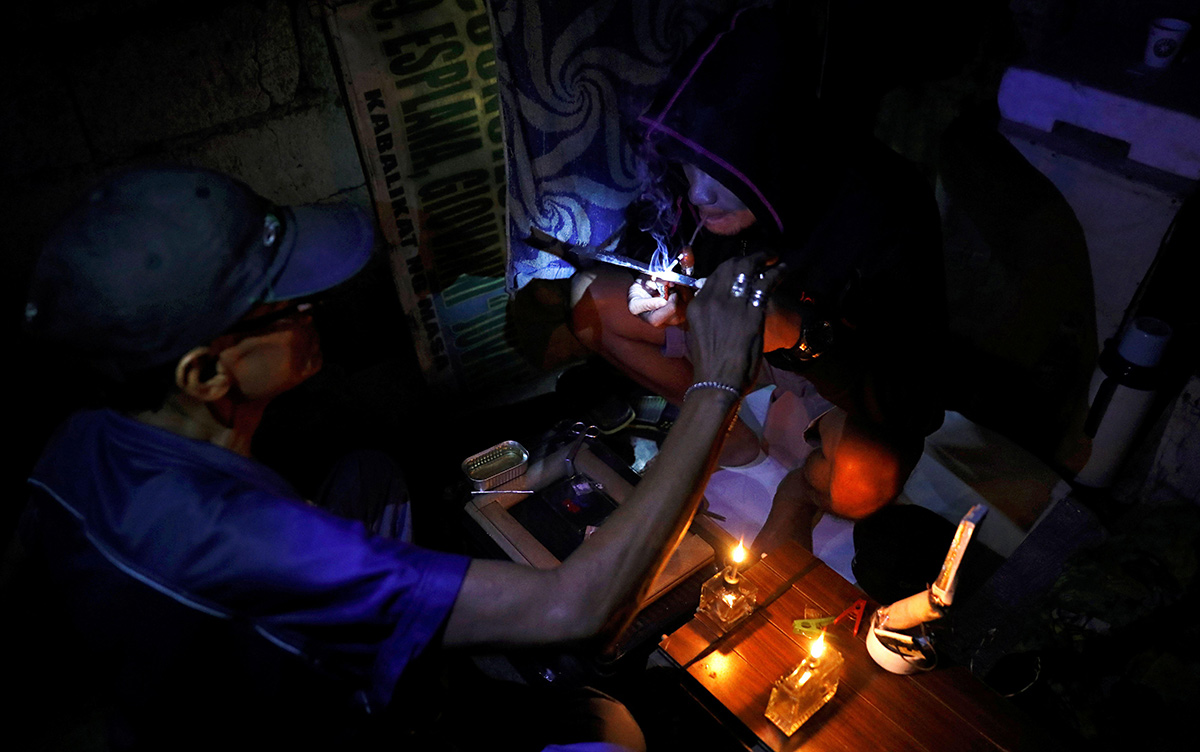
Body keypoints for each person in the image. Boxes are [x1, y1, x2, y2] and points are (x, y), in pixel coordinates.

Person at [12, 166, 778, 750]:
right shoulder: (250, 542)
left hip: (175, 682)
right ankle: (428, 696)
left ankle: (426, 648)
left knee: (372, 475)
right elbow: (576, 608)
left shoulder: (80, 440)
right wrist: (714, 386)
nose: (315, 311)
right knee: (610, 729)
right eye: (288, 305)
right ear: (206, 374)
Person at [570, 5, 948, 553]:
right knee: (591, 306)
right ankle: (732, 443)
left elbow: (913, 402)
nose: (698, 192)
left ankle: (797, 492)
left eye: (719, 171)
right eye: (689, 166)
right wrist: (679, 298)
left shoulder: (886, 207)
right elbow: (668, 244)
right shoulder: (701, 191)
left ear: (774, 154)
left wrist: (801, 335)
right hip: (740, 340)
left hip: (832, 363)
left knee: (860, 483)